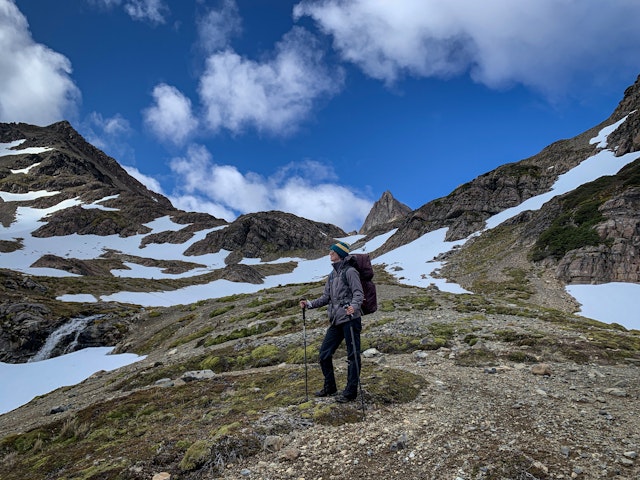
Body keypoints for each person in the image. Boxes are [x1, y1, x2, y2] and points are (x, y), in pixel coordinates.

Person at [299, 241, 364, 403]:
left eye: (332, 252)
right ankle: (330, 387)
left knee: (353, 355)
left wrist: (353, 307)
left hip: (350, 319)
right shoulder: (332, 275)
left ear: (340, 254)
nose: (330, 254)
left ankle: (350, 392)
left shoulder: (350, 272)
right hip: (336, 320)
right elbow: (326, 298)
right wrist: (309, 304)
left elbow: (358, 293)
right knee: (324, 354)